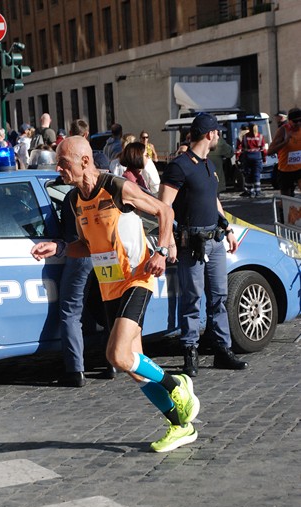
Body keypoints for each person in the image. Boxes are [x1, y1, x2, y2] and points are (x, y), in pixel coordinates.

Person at [31, 135, 200, 453]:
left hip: (138, 277)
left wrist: (161, 251)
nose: (58, 168)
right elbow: (88, 245)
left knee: (117, 356)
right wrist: (62, 247)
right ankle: (181, 425)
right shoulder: (73, 200)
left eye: (63, 162)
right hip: (109, 287)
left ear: (83, 161)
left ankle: (176, 384)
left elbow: (165, 211)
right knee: (133, 367)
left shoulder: (117, 186)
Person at [159, 112, 249, 378]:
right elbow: (163, 206)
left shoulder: (208, 165)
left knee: (219, 298)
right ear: (209, 134)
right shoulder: (180, 166)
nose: (219, 136)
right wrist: (169, 243)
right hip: (190, 243)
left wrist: (227, 228)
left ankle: (222, 349)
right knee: (192, 300)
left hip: (215, 241)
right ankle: (190, 351)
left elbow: (213, 201)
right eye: (217, 132)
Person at [57, 118, 111, 387]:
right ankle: (112, 362)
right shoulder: (106, 192)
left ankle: (75, 370)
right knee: (107, 307)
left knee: (70, 311)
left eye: (65, 164)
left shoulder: (72, 196)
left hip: (80, 257)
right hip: (104, 254)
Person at [267, 107, 301, 197]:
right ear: (289, 121)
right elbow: (269, 151)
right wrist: (285, 142)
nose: (298, 123)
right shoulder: (283, 131)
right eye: (295, 121)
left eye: (300, 120)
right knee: (287, 199)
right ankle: (283, 210)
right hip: (286, 170)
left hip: (300, 168)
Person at [236, 123, 266, 198]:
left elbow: (242, 147)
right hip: (257, 157)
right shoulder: (260, 136)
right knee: (256, 174)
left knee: (248, 174)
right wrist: (264, 158)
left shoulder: (245, 136)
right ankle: (257, 191)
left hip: (247, 157)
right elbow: (263, 149)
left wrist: (239, 157)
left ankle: (249, 191)